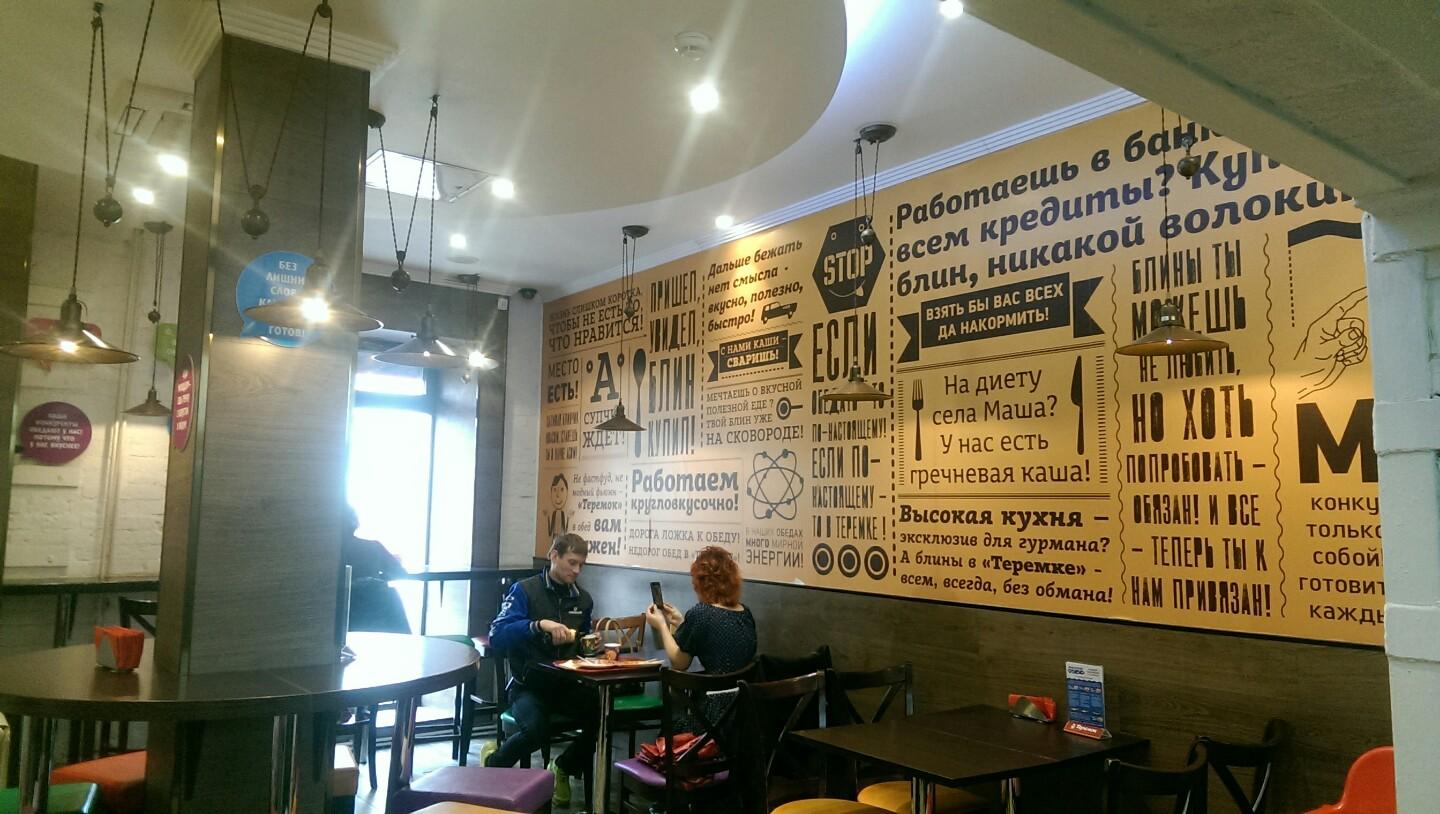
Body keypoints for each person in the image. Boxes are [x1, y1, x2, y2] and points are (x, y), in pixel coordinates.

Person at [485, 533, 596, 806]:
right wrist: (538, 625)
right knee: (536, 731)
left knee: (603, 717)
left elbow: (583, 642)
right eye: (572, 562)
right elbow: (497, 635)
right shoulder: (524, 590)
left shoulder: (583, 599)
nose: (577, 570)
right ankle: (493, 763)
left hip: (567, 685)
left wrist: (596, 647)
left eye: (581, 565)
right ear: (554, 556)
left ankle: (563, 767)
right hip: (528, 685)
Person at [644, 545, 757, 675]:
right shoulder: (745, 613)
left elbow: (680, 663)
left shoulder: (701, 613)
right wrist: (682, 623)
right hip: (744, 687)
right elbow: (714, 637)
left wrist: (662, 625)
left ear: (701, 584)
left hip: (712, 688)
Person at [342, 506, 410, 634]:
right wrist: (377, 577)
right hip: (376, 612)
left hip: (343, 614)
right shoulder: (373, 547)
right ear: (355, 522)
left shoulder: (327, 553)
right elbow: (401, 573)